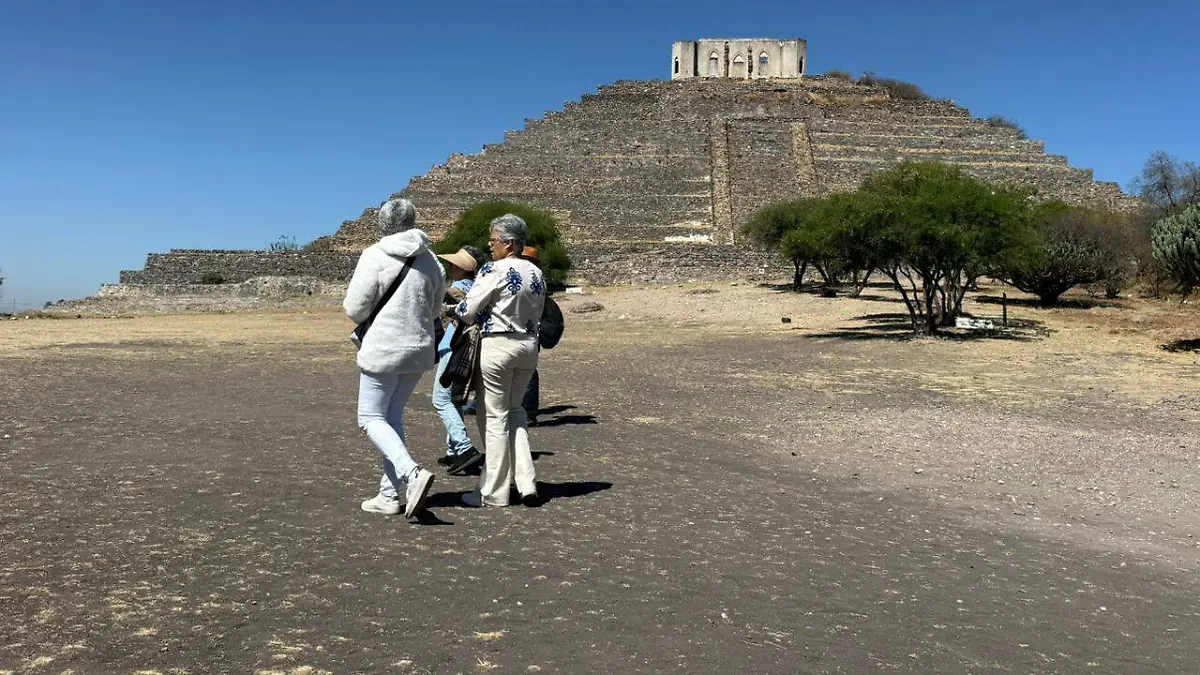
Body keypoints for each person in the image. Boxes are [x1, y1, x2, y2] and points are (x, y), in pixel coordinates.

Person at [344, 198, 444, 518]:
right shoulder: (432, 262)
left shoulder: (374, 256)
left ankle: (411, 473)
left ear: (383, 224)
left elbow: (355, 308)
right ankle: (389, 495)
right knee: (392, 417)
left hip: (384, 349)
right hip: (418, 350)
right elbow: (435, 308)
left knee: (370, 418)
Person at [452, 214, 546, 507]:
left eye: (493, 240)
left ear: (508, 243)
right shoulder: (536, 273)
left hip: (498, 347)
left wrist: (453, 308)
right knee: (516, 412)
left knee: (494, 418)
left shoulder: (494, 269)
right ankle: (526, 483)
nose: (489, 245)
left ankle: (494, 491)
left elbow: (468, 310)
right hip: (528, 346)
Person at [433, 246, 483, 472]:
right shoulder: (478, 288)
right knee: (454, 400)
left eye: (454, 265)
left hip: (452, 346)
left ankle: (464, 448)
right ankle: (453, 450)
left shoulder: (455, 290)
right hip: (467, 347)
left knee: (441, 399)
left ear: (463, 269)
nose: (450, 267)